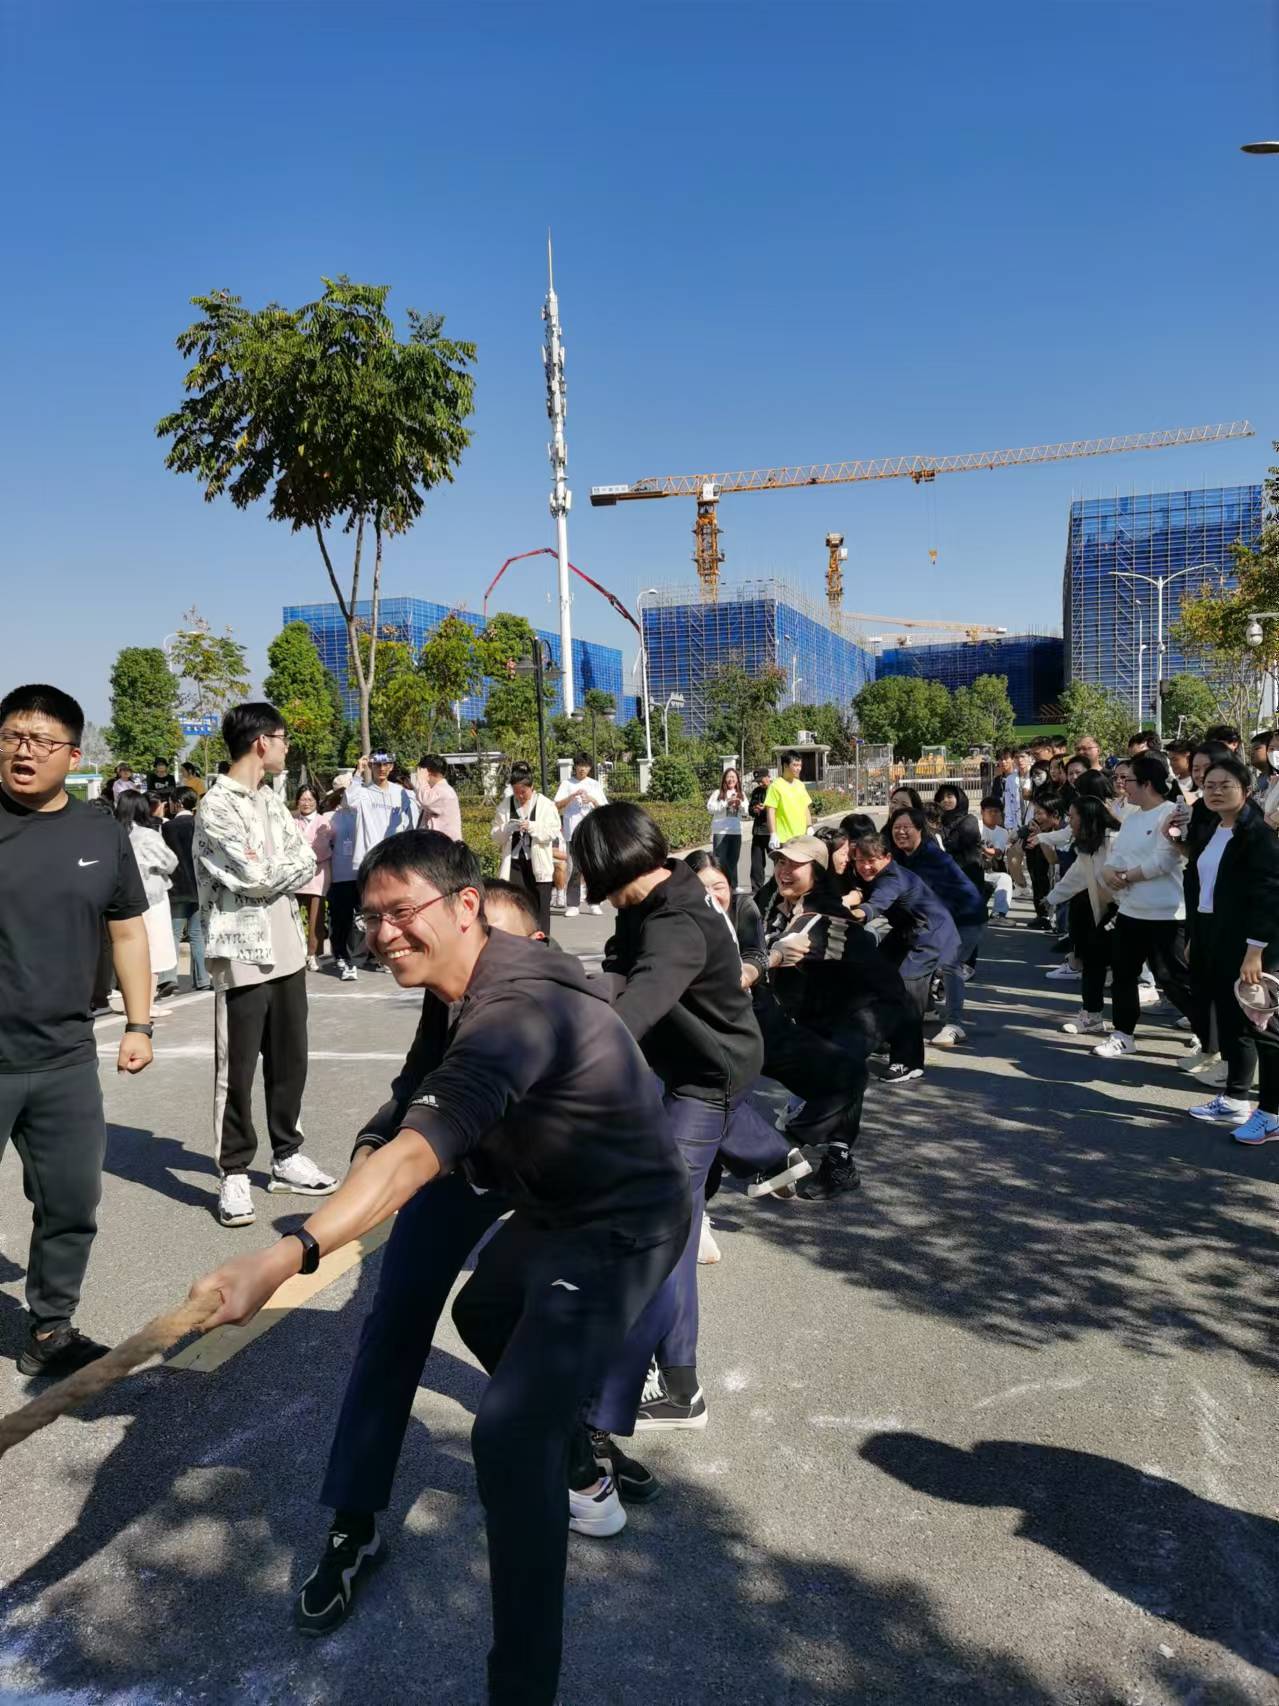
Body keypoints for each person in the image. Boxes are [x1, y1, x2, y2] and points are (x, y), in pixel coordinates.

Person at [190, 830, 689, 1706]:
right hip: (522, 1184)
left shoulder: (518, 1006)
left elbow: (423, 1145)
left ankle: (521, 1683)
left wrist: (287, 1256)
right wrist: (371, 1145)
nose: (382, 934)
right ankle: (365, 1519)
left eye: (401, 913)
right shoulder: (455, 982)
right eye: (369, 917)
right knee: (461, 1313)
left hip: (614, 1218)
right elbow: (417, 1097)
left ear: (469, 909)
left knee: (508, 1436)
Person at [571, 804, 768, 1430]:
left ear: (609, 865)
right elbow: (620, 970)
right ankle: (678, 1380)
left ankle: (667, 1389)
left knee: (661, 1223)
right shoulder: (649, 900)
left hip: (708, 1077)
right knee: (668, 1214)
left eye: (590, 871)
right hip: (681, 1065)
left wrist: (563, 1066)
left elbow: (640, 1002)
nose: (591, 888)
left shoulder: (676, 919)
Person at [0, 684, 153, 1377]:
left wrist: (139, 1023)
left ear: (73, 754)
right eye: (12, 736)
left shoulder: (100, 831)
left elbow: (128, 932)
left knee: (70, 1201)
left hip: (64, 1056)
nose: (23, 750)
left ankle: (50, 1329)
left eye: (40, 740)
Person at [194, 703, 336, 1227]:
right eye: (282, 737)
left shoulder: (272, 799)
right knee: (237, 1069)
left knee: (289, 1058)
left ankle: (286, 1154)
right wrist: (287, 867)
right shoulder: (216, 806)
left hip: (287, 947)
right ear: (261, 742)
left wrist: (283, 866)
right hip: (242, 952)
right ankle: (233, 1169)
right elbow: (255, 877)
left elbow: (304, 858)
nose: (286, 746)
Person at [755, 835, 911, 1156]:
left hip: (873, 1003)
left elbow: (788, 946)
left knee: (845, 1070)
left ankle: (798, 1146)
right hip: (829, 1004)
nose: (784, 870)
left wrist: (756, 963)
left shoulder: (819, 911)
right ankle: (835, 1157)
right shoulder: (777, 902)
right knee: (832, 1074)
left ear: (816, 871)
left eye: (795, 864)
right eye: (781, 862)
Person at [1177, 755, 1279, 1133]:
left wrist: (1255, 951)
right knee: (1232, 1020)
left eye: (1226, 785)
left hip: (1250, 941)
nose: (1216, 792)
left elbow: (1269, 895)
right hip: (1213, 933)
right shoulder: (1214, 829)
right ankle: (1236, 1098)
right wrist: (1196, 936)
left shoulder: (1258, 834)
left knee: (1263, 1027)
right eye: (1210, 786)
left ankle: (1271, 1114)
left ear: (1247, 790)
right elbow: (1202, 888)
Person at [1092, 752, 1195, 1061]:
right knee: (1123, 974)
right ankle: (1123, 1034)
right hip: (1130, 911)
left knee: (1173, 978)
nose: (1122, 785)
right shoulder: (1134, 818)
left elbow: (1165, 859)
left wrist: (1125, 877)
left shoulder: (1171, 813)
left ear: (1147, 783)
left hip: (1166, 913)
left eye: (1128, 780)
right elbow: (1117, 854)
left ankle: (1207, 1032)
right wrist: (1109, 872)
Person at [846, 831, 961, 1081]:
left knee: (906, 995)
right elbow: (858, 889)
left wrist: (846, 913)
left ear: (887, 857)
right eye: (859, 860)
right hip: (905, 932)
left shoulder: (892, 879)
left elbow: (875, 905)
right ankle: (884, 1035)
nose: (865, 866)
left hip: (930, 936)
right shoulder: (867, 874)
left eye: (871, 860)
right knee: (872, 974)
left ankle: (908, 1062)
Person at [887, 806, 985, 1047]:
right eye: (896, 828)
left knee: (951, 964)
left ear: (920, 829)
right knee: (919, 959)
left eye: (906, 827)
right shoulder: (903, 855)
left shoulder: (930, 857)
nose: (900, 832)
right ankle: (929, 1008)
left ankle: (955, 1025)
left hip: (966, 917)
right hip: (941, 918)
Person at [1044, 796, 1122, 1038]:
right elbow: (1077, 874)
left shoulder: (1115, 840)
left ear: (1087, 817)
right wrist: (1052, 897)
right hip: (1108, 910)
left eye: (1073, 816)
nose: (1069, 821)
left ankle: (1204, 1027)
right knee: (1093, 959)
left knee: (1164, 972)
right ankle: (1092, 1016)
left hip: (1130, 909)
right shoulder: (1089, 844)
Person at [116, 790, 179, 1004]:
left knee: (129, 950)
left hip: (121, 898)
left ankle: (131, 1001)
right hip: (152, 898)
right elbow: (170, 862)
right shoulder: (146, 835)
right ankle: (147, 1003)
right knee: (154, 949)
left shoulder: (112, 833)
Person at [490, 761, 561, 937]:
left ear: (532, 787)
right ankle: (518, 940)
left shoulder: (545, 804)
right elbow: (495, 835)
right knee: (516, 905)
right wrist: (507, 829)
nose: (520, 796)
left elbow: (552, 831)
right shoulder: (505, 805)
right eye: (516, 792)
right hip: (514, 863)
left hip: (538, 863)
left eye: (524, 792)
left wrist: (532, 826)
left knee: (540, 908)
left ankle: (542, 942)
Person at [163, 786, 208, 991]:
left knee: (173, 933)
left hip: (177, 887)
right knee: (197, 933)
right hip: (198, 887)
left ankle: (170, 978)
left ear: (178, 803)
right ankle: (202, 979)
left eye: (172, 801)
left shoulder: (168, 827)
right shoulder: (200, 824)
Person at [345, 752, 419, 872]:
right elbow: (350, 801)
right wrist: (358, 772)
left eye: (386, 764)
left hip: (395, 856)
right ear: (370, 766)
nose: (382, 768)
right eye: (377, 764)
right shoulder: (363, 792)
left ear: (391, 766)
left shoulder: (400, 792)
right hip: (370, 857)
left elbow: (408, 824)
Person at [553, 753, 607, 916]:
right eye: (580, 765)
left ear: (590, 768)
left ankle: (594, 902)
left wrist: (592, 800)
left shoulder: (594, 784)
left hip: (591, 831)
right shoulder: (567, 784)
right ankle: (573, 904)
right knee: (574, 868)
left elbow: (604, 808)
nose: (582, 769)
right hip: (573, 831)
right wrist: (571, 797)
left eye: (586, 766)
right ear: (575, 766)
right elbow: (556, 805)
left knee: (593, 867)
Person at [292, 784, 332, 971]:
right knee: (292, 915)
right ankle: (295, 953)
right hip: (296, 874)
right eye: (303, 799)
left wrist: (304, 849)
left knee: (316, 916)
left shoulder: (325, 822)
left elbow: (323, 847)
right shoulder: (291, 821)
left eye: (310, 799)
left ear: (316, 801)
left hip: (318, 873)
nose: (306, 803)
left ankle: (313, 954)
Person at [326, 775, 360, 980]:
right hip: (339, 874)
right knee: (341, 918)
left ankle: (359, 956)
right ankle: (342, 955)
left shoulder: (361, 813)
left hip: (361, 872)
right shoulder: (330, 816)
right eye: (343, 793)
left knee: (362, 919)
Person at [705, 765, 746, 887]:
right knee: (719, 861)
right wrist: (726, 803)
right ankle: (720, 885)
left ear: (737, 780)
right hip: (720, 832)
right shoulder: (718, 793)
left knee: (733, 860)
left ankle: (733, 886)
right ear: (724, 779)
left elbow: (746, 811)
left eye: (733, 777)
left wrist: (740, 805)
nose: (731, 779)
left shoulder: (741, 794)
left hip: (735, 831)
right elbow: (710, 808)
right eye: (728, 777)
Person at [763, 750, 810, 848]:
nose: (798, 768)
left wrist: (809, 826)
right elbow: (771, 811)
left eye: (800, 765)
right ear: (785, 766)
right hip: (785, 839)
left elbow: (805, 808)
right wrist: (773, 834)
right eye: (795, 765)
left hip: (802, 837)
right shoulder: (775, 786)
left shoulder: (800, 785)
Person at [977, 796, 1013, 918]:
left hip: (987, 872)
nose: (993, 814)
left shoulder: (1003, 832)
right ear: (982, 812)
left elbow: (997, 852)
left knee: (1005, 878)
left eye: (996, 811)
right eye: (990, 811)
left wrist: (981, 848)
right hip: (970, 871)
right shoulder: (975, 825)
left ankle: (998, 914)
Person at [413, 753, 462, 842]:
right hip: (438, 844)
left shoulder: (444, 791)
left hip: (445, 846)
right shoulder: (437, 790)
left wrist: (422, 781)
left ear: (427, 772)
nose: (418, 776)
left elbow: (426, 801)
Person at [747, 766, 773, 890]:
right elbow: (750, 809)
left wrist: (766, 808)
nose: (760, 783)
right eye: (757, 781)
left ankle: (777, 888)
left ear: (768, 777)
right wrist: (755, 809)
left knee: (778, 861)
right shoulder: (756, 791)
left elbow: (780, 809)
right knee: (756, 863)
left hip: (772, 832)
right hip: (758, 832)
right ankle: (756, 889)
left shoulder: (775, 790)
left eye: (761, 780)